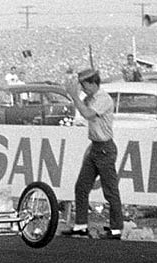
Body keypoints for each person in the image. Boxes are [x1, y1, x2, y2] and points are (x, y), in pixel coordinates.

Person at [63, 68, 124, 240]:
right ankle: (81, 225)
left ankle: (116, 228)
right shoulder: (91, 98)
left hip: (105, 148)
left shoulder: (103, 99)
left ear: (93, 83)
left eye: (85, 86)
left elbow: (88, 114)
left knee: (110, 190)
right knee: (81, 187)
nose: (83, 90)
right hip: (95, 147)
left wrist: (75, 96)